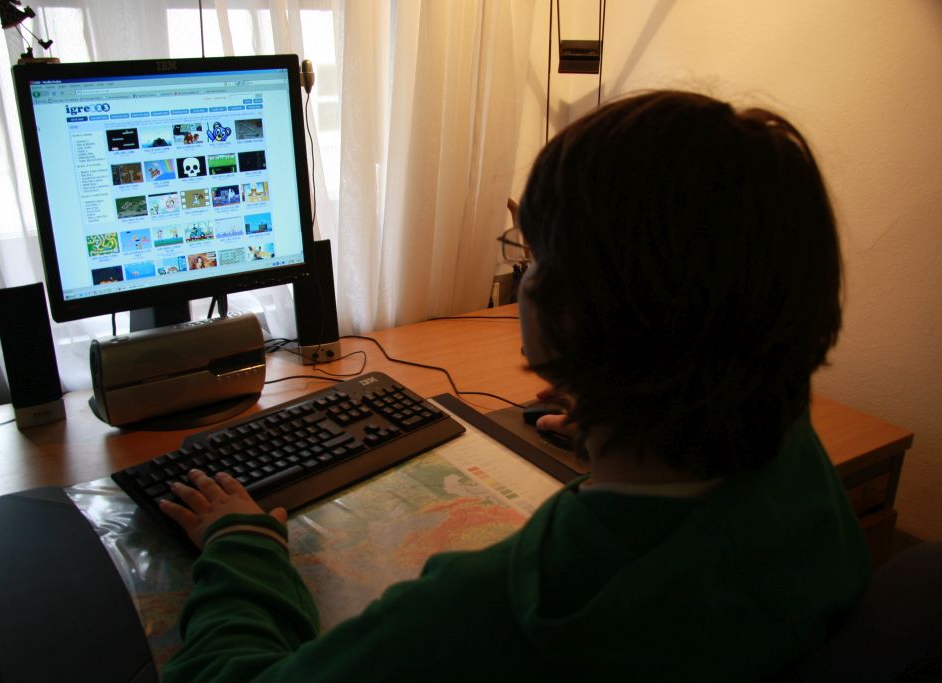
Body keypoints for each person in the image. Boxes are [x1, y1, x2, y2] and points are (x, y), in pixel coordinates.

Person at [160, 91, 870, 682]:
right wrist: (622, 416)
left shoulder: (491, 610)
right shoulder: (795, 464)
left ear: (572, 312)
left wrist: (241, 542)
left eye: (528, 255)